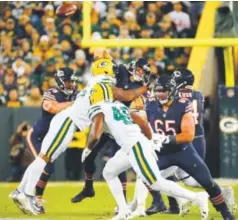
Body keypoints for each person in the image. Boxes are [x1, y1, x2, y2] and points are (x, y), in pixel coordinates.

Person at [9, 58, 148, 215]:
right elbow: (127, 95)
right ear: (108, 72)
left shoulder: (95, 83)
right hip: (69, 121)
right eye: (114, 71)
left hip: (67, 121)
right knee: (44, 158)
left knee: (44, 158)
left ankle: (20, 191)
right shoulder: (105, 85)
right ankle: (27, 194)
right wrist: (145, 87)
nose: (116, 74)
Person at [82, 99, 209, 220]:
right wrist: (149, 138)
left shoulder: (96, 109)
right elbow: (142, 122)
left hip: (135, 145)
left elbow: (94, 135)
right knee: (109, 172)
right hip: (131, 145)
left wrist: (87, 149)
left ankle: (197, 197)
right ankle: (123, 211)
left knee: (155, 182)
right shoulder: (116, 106)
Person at [132, 75, 235, 220]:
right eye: (158, 90)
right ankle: (157, 203)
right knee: (145, 177)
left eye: (165, 90)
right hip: (160, 153)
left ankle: (226, 213)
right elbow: (138, 121)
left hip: (183, 151)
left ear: (173, 90)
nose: (160, 93)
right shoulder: (149, 104)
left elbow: (188, 135)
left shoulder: (182, 104)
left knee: (208, 182)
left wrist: (165, 138)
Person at [71, 58, 153, 204]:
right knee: (90, 155)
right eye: (140, 70)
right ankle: (88, 187)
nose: (141, 73)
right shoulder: (120, 70)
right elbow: (106, 62)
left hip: (120, 123)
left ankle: (125, 200)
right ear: (133, 67)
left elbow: (127, 96)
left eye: (144, 72)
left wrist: (143, 88)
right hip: (105, 118)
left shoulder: (139, 85)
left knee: (118, 162)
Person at [9, 67, 78, 213]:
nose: (71, 85)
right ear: (60, 82)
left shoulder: (75, 95)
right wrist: (75, 104)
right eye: (67, 81)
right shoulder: (52, 93)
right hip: (37, 136)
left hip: (50, 138)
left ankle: (22, 193)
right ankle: (28, 195)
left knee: (45, 165)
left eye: (72, 81)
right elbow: (53, 108)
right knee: (42, 163)